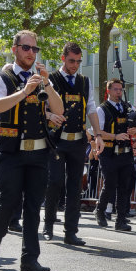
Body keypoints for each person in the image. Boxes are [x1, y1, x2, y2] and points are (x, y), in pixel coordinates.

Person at [0, 31, 64, 271]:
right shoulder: (2, 78)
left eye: (34, 49)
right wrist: (23, 92)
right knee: (8, 200)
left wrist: (47, 84)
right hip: (11, 152)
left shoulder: (40, 79)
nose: (31, 52)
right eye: (26, 48)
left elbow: (59, 110)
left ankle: (29, 258)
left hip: (39, 152)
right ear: (15, 49)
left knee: (32, 206)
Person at [43, 43, 97, 246]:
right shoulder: (50, 80)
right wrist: (49, 115)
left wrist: (97, 134)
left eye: (78, 61)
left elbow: (91, 108)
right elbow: (41, 107)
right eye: (71, 61)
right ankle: (48, 224)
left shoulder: (85, 81)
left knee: (75, 187)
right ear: (63, 58)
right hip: (56, 140)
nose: (75, 65)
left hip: (77, 141)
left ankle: (71, 231)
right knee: (55, 182)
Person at [94, 79, 136, 231]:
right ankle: (100, 210)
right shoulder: (102, 109)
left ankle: (121, 220)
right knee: (110, 184)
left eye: (120, 89)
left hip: (126, 153)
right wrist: (115, 136)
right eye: (115, 89)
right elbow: (98, 133)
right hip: (108, 153)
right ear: (108, 91)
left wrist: (135, 129)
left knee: (125, 187)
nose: (119, 92)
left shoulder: (127, 107)